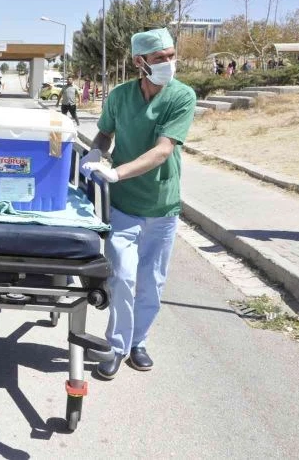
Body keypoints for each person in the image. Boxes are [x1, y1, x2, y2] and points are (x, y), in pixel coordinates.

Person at [80, 28, 195, 380]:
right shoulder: (120, 96)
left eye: (171, 56)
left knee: (152, 283)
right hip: (123, 207)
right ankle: (116, 346)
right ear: (139, 62)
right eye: (160, 58)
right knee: (122, 279)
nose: (169, 63)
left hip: (161, 207)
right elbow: (105, 132)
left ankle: (138, 342)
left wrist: (116, 173)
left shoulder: (182, 96)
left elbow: (163, 150)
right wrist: (96, 152)